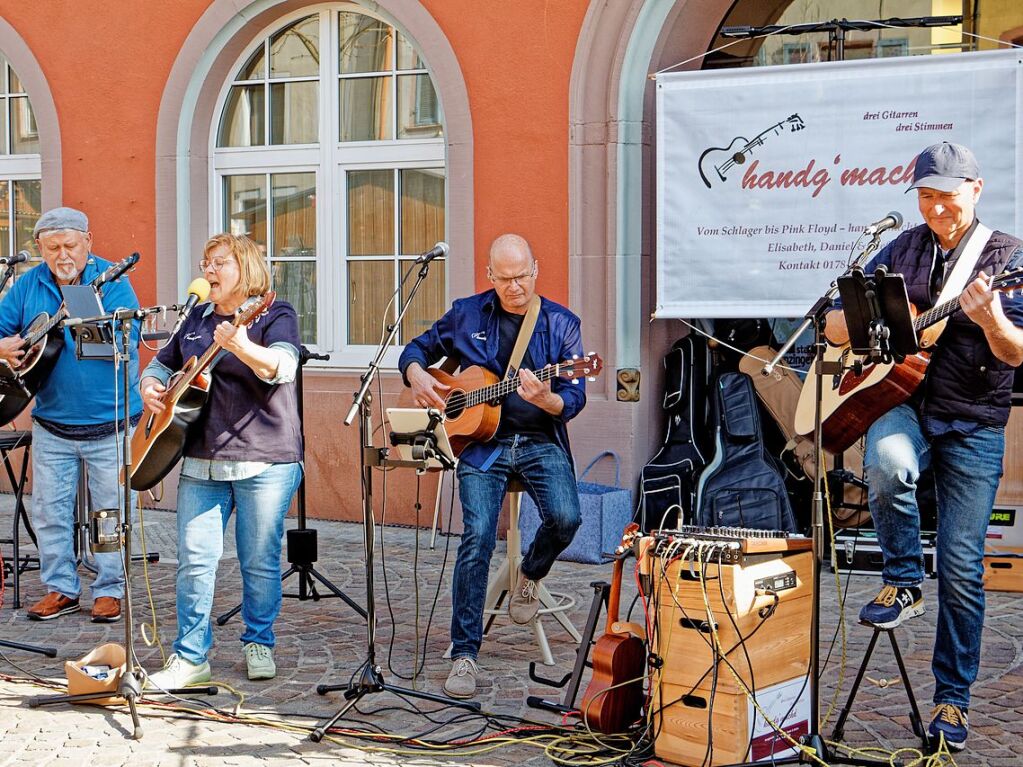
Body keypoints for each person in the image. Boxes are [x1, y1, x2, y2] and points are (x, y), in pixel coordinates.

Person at [826, 142, 1023, 752]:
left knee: (963, 568)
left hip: (972, 421)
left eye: (949, 195)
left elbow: (1015, 352)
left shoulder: (1007, 257)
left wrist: (990, 319)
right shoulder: (903, 246)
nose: (938, 207)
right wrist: (864, 326)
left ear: (977, 188)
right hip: (900, 401)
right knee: (886, 464)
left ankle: (952, 701)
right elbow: (836, 320)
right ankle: (903, 578)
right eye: (927, 195)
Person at [399, 233, 585, 699]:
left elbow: (576, 394)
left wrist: (550, 399)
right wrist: (417, 373)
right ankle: (465, 653)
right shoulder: (467, 313)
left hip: (540, 439)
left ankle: (531, 573)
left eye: (522, 276)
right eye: (505, 279)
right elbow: (414, 350)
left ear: (535, 269)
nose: (515, 287)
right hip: (481, 445)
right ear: (490, 276)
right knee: (477, 535)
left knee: (567, 518)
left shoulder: (561, 324)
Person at [141, 233, 303, 688]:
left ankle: (259, 642)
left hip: (264, 459)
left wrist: (242, 346)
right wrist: (149, 386)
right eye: (205, 262)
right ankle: (191, 658)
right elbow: (160, 364)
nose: (208, 271)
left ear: (245, 269)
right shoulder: (195, 316)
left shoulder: (274, 313)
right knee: (194, 560)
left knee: (259, 558)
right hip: (200, 458)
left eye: (219, 263)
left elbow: (282, 367)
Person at [0, 207, 142, 624]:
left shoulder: (112, 281)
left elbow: (122, 346)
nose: (63, 255)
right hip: (52, 421)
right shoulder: (29, 285)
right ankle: (60, 587)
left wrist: (83, 316)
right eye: (52, 247)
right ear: (40, 249)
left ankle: (109, 589)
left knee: (109, 514)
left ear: (88, 243)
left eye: (70, 245)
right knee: (50, 510)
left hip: (109, 422)